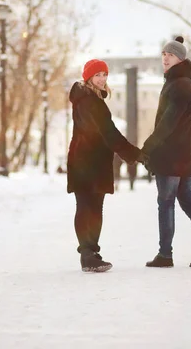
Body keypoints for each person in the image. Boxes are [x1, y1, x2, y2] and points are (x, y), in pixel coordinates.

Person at [141, 37, 191, 269]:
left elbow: (168, 123)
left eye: (171, 55)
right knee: (187, 201)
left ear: (181, 59)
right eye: (164, 53)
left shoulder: (180, 84)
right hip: (183, 153)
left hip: (172, 155)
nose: (165, 57)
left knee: (166, 202)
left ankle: (165, 255)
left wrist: (147, 147)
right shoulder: (179, 82)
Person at [67, 59, 146, 273]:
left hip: (94, 161)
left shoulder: (91, 98)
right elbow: (108, 132)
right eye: (97, 75)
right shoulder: (88, 100)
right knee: (86, 207)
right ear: (88, 77)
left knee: (94, 207)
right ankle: (87, 254)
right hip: (86, 161)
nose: (102, 79)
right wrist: (135, 154)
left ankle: (91, 251)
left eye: (104, 74)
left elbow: (107, 133)